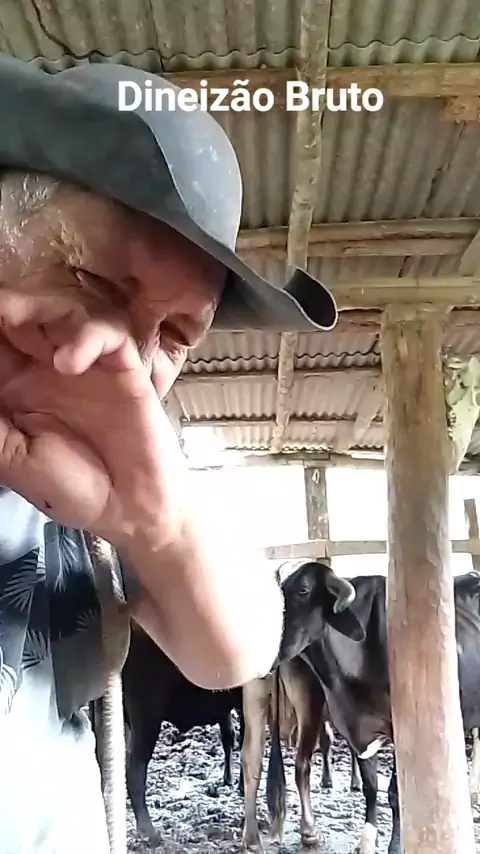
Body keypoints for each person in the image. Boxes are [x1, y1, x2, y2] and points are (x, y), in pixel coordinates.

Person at [0, 55, 337, 852]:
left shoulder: (119, 458)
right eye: (100, 288)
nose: (134, 358)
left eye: (177, 336)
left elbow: (237, 649)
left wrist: (155, 522)